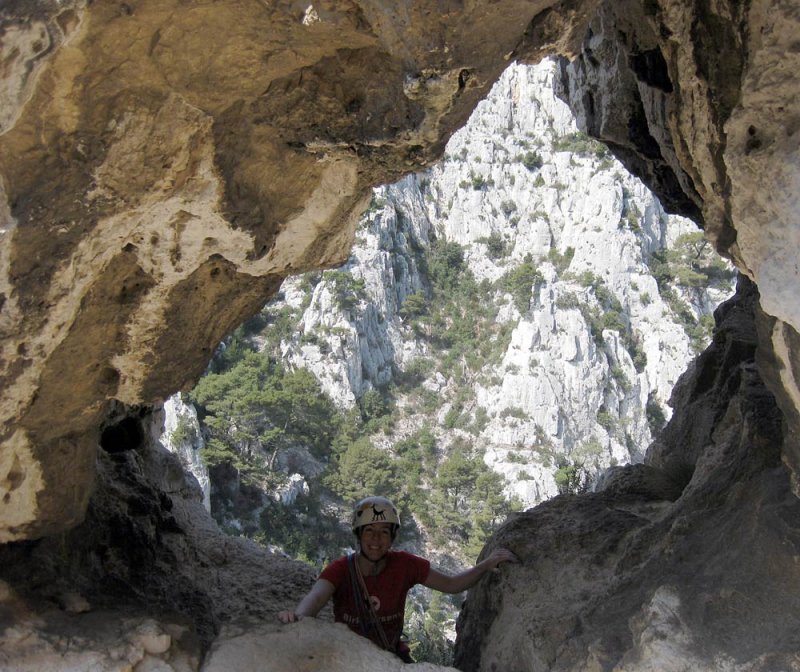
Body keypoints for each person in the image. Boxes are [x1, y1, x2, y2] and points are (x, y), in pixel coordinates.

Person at [277, 495, 518, 663]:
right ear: (358, 535)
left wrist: (486, 564)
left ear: (392, 537)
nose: (376, 539)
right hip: (349, 657)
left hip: (390, 655)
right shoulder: (341, 569)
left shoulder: (405, 565)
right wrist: (296, 616)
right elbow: (316, 597)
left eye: (384, 532)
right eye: (369, 531)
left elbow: (452, 585)